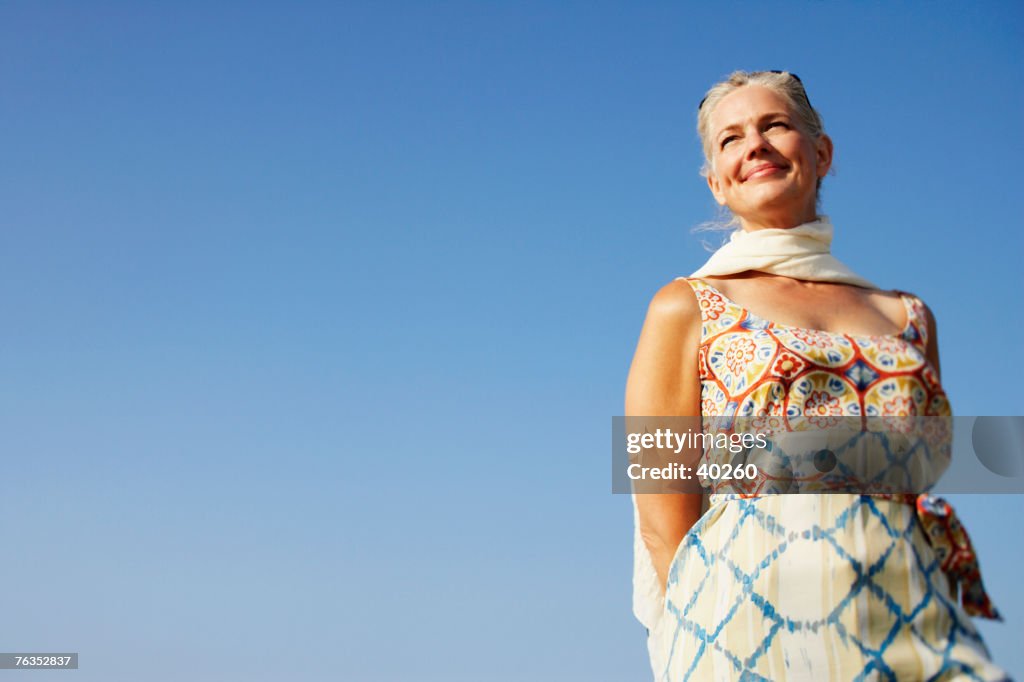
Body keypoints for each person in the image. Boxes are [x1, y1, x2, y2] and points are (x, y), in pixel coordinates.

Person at [626, 71, 1009, 680]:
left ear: (822, 153)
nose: (754, 144)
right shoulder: (685, 307)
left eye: (774, 125)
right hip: (747, 622)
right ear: (716, 184)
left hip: (909, 610)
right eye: (731, 138)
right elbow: (661, 512)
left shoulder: (908, 317)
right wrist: (706, 628)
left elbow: (925, 475)